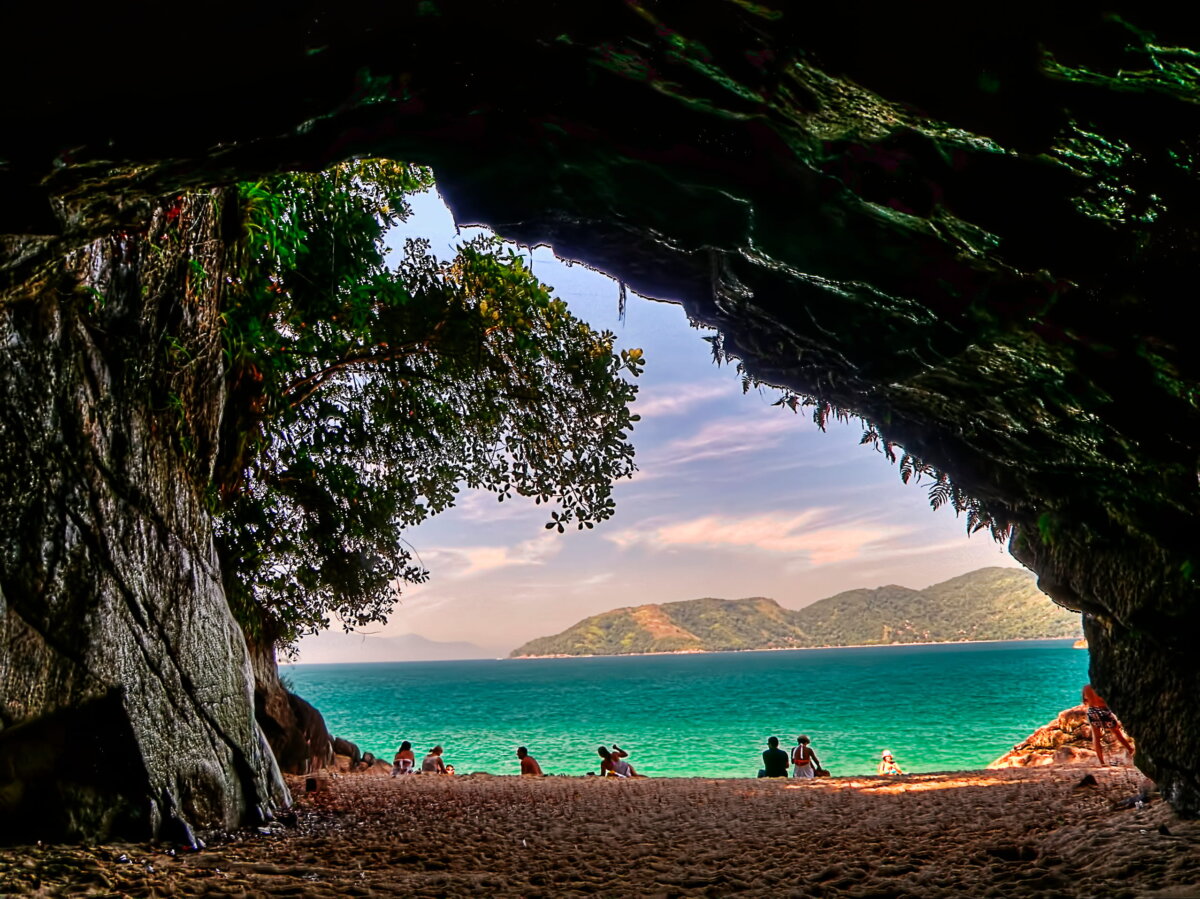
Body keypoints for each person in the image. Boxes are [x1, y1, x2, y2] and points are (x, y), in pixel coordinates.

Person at [1082, 684, 1135, 766]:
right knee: (1117, 732)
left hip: (1092, 711)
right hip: (1104, 710)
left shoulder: (1086, 688)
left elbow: (1085, 701)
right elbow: (1106, 700)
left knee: (1096, 737)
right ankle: (1130, 750)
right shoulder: (1100, 686)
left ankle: (1101, 762)